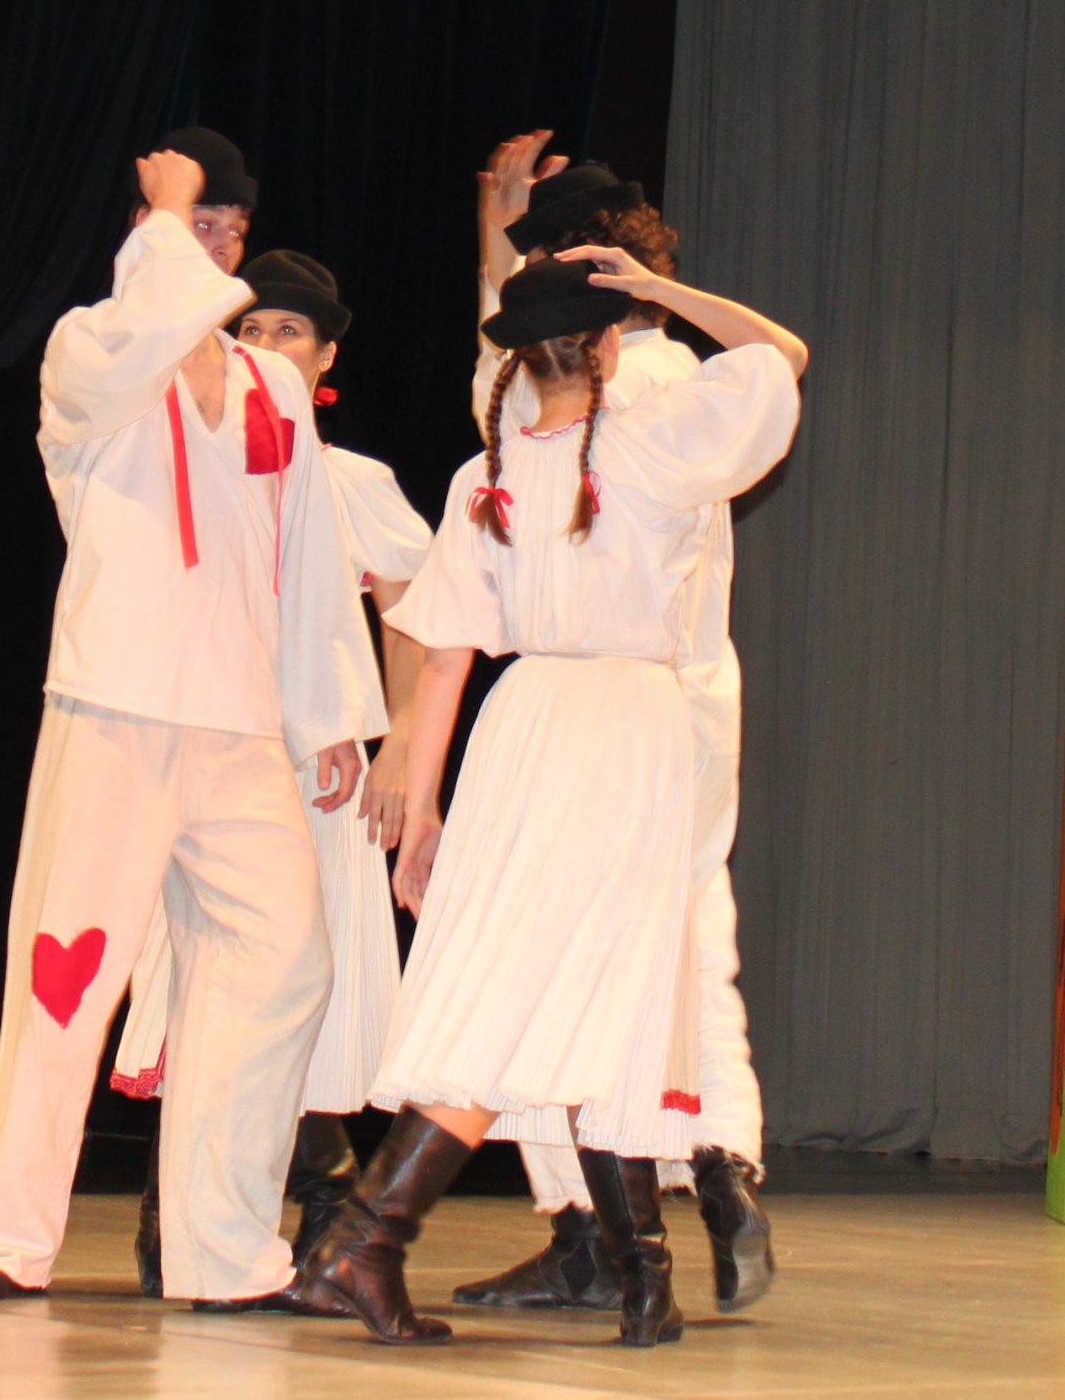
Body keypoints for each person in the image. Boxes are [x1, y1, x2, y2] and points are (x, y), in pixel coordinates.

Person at [296, 247, 809, 1347]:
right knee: (601, 988)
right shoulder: (657, 442)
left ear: (520, 361)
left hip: (524, 726)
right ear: (610, 346)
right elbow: (781, 355)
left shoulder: (484, 471)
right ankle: (379, 1242)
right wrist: (661, 288)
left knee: (549, 984)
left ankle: (626, 1278)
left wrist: (422, 806)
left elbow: (445, 654)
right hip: (624, 726)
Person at [0, 132, 341, 1307]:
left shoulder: (274, 385)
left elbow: (306, 556)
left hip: (238, 721)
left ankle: (224, 1252)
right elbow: (147, 331)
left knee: (284, 961)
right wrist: (164, 220)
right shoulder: (89, 350)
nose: (214, 245)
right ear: (145, 235)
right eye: (191, 222)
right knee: (64, 982)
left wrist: (322, 712)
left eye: (228, 227)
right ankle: (11, 1241)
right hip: (115, 704)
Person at [451, 137, 779, 1314]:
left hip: (593, 701)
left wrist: (497, 246)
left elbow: (496, 385)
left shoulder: (567, 395)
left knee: (551, 954)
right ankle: (721, 1160)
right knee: (693, 934)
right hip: (689, 693)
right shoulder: (690, 376)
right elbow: (776, 360)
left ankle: (586, 1224)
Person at [110, 250, 436, 1293]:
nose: (264, 347)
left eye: (287, 332)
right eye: (248, 330)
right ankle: (187, 1209)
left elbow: (416, 616)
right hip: (202, 741)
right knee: (198, 970)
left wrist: (399, 742)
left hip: (314, 759)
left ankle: (326, 1205)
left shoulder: (351, 481)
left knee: (293, 975)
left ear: (326, 356)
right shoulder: (192, 463)